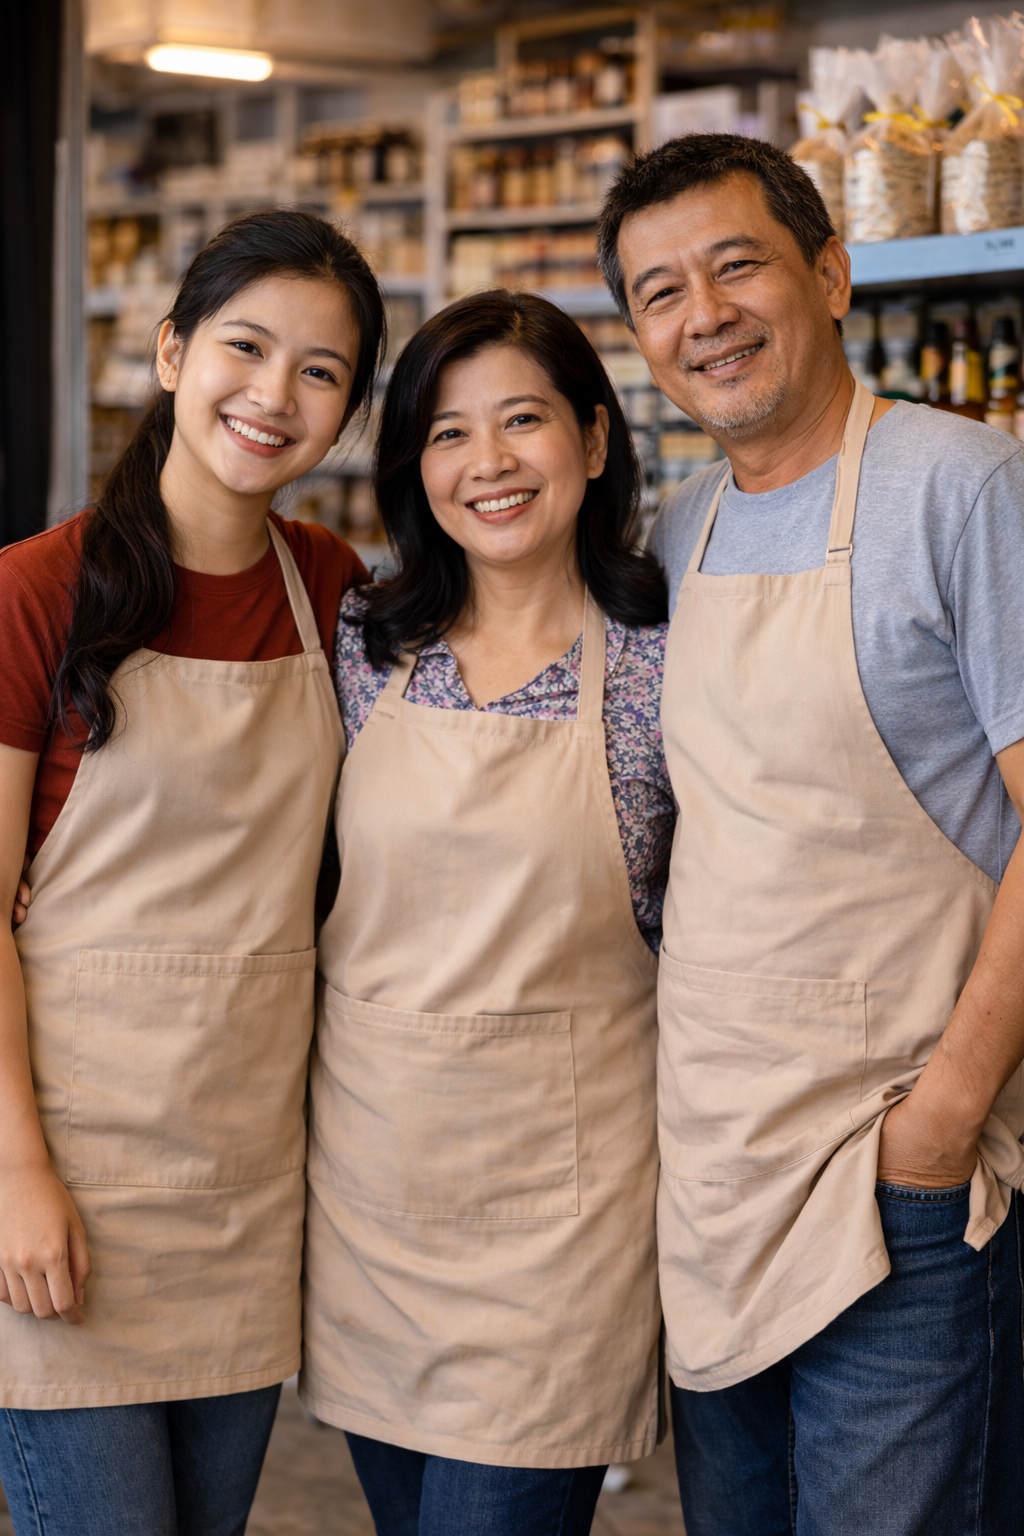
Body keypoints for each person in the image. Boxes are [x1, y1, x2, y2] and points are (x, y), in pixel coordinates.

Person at [597, 132, 1024, 1535]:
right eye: (659, 291)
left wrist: (945, 1115)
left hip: (896, 1165)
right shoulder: (680, 526)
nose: (702, 315)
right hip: (720, 1164)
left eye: (738, 267)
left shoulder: (954, 483)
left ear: (831, 275)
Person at [0, 209, 385, 1534]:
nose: (276, 395)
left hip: (244, 1188)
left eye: (322, 371)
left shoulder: (333, 590)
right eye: (246, 347)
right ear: (171, 354)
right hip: (64, 1186)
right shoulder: (34, 593)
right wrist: (15, 1177)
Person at [301, 289, 674, 1535]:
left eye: (523, 421)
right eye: (448, 433)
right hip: (373, 1200)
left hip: (563, 1226)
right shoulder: (360, 643)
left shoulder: (667, 654)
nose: (489, 463)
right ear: (413, 464)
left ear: (596, 438)